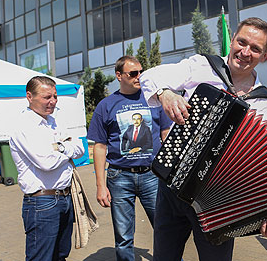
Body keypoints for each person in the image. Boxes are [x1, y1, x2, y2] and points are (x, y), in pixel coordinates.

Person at [139, 17, 267, 261]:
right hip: (172, 187)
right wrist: (165, 94)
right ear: (233, 40)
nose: (245, 51)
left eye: (255, 48)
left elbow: (262, 167)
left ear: (265, 55)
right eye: (242, 42)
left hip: (216, 201)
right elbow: (150, 76)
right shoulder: (202, 66)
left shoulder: (265, 106)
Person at [87, 56, 171, 261]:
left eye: (141, 72)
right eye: (132, 73)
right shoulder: (106, 105)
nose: (138, 77)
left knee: (167, 229)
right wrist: (100, 185)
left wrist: (171, 173)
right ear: (119, 76)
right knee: (124, 237)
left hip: (153, 175)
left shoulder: (154, 99)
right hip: (119, 178)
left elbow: (166, 135)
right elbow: (99, 147)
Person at [9, 76, 85, 261]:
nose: (52, 102)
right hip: (42, 203)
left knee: (60, 255)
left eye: (55, 96)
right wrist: (66, 147)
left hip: (65, 199)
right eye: (46, 97)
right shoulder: (24, 126)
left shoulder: (54, 121)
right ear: (29, 96)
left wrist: (59, 147)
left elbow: (80, 148)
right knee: (41, 257)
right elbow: (46, 162)